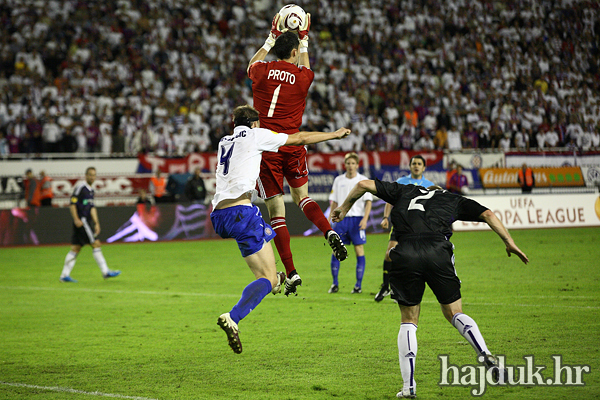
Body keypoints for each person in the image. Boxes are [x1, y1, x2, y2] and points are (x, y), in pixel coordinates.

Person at [331, 180, 528, 399]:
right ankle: (486, 354)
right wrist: (508, 241)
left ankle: (409, 387)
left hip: (405, 253)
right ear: (440, 192)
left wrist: (344, 207)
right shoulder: (451, 199)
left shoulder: (405, 190)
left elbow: (363, 184)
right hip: (437, 252)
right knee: (455, 313)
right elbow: (489, 214)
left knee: (408, 320)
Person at [213, 105, 350, 354]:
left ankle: (281, 278)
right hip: (242, 212)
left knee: (271, 278)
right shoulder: (256, 135)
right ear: (255, 124)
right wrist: (334, 134)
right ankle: (233, 317)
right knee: (268, 279)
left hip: (219, 215)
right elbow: (300, 138)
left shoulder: (224, 141)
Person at [247, 15, 347, 297]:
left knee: (277, 213)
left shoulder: (262, 71)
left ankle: (291, 272)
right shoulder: (303, 76)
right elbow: (305, 66)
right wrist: (304, 39)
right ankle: (327, 230)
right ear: (294, 52)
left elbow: (250, 65)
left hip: (266, 148)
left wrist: (270, 38)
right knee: (303, 197)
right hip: (293, 143)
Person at [375, 155, 435, 302]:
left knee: (410, 259)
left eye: (419, 164)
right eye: (414, 163)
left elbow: (432, 206)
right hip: (400, 224)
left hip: (418, 227)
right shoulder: (401, 182)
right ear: (410, 166)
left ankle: (401, 291)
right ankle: (385, 286)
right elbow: (390, 200)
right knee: (390, 254)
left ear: (424, 167)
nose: (416, 166)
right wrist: (385, 217)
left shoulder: (429, 184)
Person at [59, 167, 121, 283]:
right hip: (82, 221)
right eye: (90, 175)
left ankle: (64, 276)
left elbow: (92, 207)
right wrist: (76, 219)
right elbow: (72, 204)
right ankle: (105, 272)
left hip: (86, 221)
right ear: (86, 175)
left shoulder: (91, 191)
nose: (92, 177)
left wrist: (97, 223)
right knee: (96, 244)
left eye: (94, 175)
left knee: (76, 248)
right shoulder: (80, 188)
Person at [327, 152, 372, 294]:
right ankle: (334, 284)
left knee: (359, 251)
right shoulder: (338, 180)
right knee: (336, 251)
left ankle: (358, 285)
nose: (350, 166)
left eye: (353, 163)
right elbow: (333, 201)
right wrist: (329, 219)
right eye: (348, 163)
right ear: (345, 165)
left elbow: (368, 201)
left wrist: (365, 219)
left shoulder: (363, 180)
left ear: (357, 165)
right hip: (341, 221)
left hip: (357, 220)